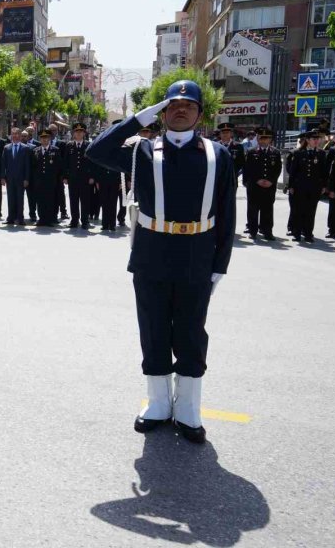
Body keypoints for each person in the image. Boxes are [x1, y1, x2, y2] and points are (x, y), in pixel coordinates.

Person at [86, 80, 236, 444]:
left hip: (197, 255)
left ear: (200, 114)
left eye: (189, 105)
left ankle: (188, 409)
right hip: (152, 254)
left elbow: (227, 212)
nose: (181, 110)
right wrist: (139, 118)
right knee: (153, 329)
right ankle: (157, 404)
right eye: (173, 105)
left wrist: (220, 264)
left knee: (190, 332)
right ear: (163, 112)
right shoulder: (142, 151)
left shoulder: (218, 154)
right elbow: (96, 149)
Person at [287, 128, 327, 243]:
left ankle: (308, 233)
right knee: (299, 210)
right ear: (308, 140)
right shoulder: (298, 153)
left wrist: (324, 186)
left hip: (314, 187)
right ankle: (297, 233)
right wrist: (291, 186)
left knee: (311, 211)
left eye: (318, 138)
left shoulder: (321, 153)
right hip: (300, 186)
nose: (316, 141)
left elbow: (324, 172)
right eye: (314, 139)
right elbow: (293, 171)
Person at [242, 126, 282, 240]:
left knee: (267, 209)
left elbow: (277, 169)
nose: (263, 140)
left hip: (269, 186)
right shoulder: (251, 152)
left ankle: (267, 231)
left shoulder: (275, 152)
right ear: (258, 139)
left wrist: (271, 181)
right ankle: (252, 231)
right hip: (254, 186)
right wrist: (256, 180)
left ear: (270, 139)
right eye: (261, 138)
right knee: (253, 209)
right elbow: (248, 169)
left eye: (266, 138)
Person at [64, 123, 93, 229]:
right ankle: (74, 220)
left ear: (84, 133)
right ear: (73, 133)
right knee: (73, 200)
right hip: (73, 178)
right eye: (77, 131)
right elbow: (66, 162)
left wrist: (92, 176)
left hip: (85, 178)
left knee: (85, 200)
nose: (79, 133)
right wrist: (65, 177)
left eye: (81, 131)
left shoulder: (88, 145)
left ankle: (85, 221)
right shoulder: (69, 145)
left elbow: (92, 162)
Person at [31, 129, 63, 226]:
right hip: (39, 181)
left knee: (50, 200)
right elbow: (33, 167)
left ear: (49, 139)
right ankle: (41, 219)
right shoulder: (35, 151)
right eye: (42, 138)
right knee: (40, 200)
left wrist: (59, 179)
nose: (44, 140)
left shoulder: (55, 150)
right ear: (40, 139)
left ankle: (49, 219)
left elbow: (59, 166)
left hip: (51, 180)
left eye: (46, 138)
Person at [1, 127, 31, 225]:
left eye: (17, 134)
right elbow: (3, 164)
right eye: (13, 134)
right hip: (10, 178)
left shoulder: (25, 148)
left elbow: (27, 165)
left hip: (21, 179)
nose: (15, 136)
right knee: (10, 198)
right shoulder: (6, 148)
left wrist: (26, 179)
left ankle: (20, 218)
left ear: (20, 135)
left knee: (20, 199)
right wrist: (2, 177)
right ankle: (11, 218)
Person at [216, 122, 245, 187]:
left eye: (227, 132)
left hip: (232, 178)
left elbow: (241, 162)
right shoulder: (215, 146)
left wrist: (234, 173)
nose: (225, 134)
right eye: (223, 133)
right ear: (220, 134)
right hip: (218, 178)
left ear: (231, 133)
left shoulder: (238, 146)